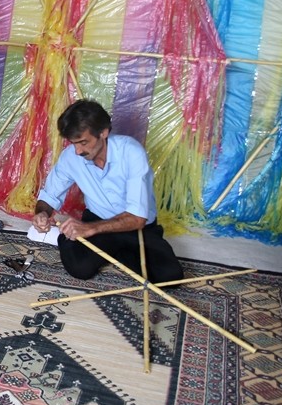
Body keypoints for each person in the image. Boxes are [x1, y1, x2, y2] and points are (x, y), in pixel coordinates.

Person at [32, 99, 183, 284]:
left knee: (169, 277)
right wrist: (42, 213)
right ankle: (65, 238)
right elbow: (49, 196)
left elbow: (137, 218)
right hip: (96, 219)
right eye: (73, 143)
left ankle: (114, 249)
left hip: (136, 227)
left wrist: (90, 229)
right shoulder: (71, 157)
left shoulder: (131, 152)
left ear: (103, 132)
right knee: (80, 268)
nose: (78, 151)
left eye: (83, 142)